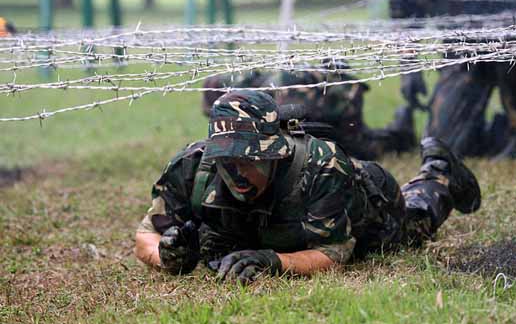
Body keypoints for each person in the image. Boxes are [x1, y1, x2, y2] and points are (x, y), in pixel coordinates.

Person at [135, 90, 481, 283]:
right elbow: (146, 235)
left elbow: (335, 252)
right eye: (229, 163)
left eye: (250, 161)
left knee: (414, 223)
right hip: (266, 225)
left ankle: (439, 170)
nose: (238, 174)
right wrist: (167, 255)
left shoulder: (322, 165)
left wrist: (274, 262)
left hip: (366, 208)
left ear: (275, 154)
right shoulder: (193, 167)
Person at [380, 0, 516, 159]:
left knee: (509, 42)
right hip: (460, 45)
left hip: (504, 27)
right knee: (442, 144)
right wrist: (408, 67)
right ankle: (490, 131)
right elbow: (402, 17)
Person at [202, 59, 415, 161]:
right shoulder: (260, 90)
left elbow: (296, 126)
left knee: (362, 149)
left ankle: (401, 133)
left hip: (341, 98)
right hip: (319, 104)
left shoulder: (277, 91)